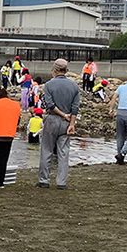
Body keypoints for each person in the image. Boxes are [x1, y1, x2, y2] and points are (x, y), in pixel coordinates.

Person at [37, 58, 80, 190]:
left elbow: (50, 104)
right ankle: (61, 182)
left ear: (55, 70)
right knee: (63, 152)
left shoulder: (49, 85)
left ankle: (44, 180)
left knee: (47, 150)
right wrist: (71, 123)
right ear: (66, 71)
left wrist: (62, 114)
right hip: (67, 122)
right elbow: (75, 107)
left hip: (52, 119)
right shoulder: (74, 86)